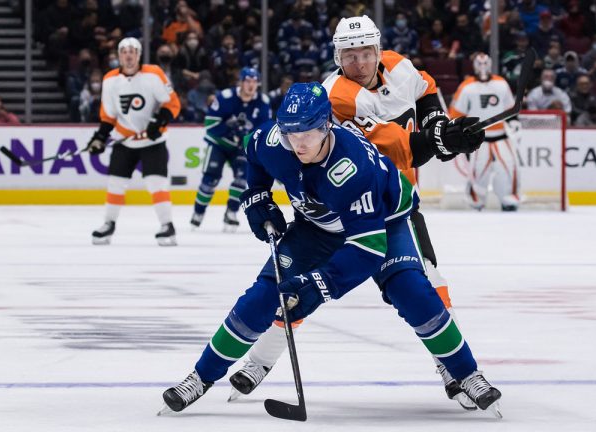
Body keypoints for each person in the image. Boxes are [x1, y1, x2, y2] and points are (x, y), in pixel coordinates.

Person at [160, 82, 502, 416]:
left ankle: (467, 373)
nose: (298, 143)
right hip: (317, 227)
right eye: (291, 132)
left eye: (307, 132)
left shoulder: (352, 167)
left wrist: (320, 284)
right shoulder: (276, 139)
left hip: (384, 222)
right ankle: (200, 377)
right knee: (263, 296)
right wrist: (257, 195)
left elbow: (368, 248)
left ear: (327, 125)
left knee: (411, 291)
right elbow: (253, 153)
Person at [227, 15, 485, 411]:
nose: (360, 63)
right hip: (339, 207)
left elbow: (427, 89)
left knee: (429, 279)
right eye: (350, 55)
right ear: (337, 57)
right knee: (299, 287)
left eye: (366, 53)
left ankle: (450, 367)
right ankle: (259, 361)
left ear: (379, 51)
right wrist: (443, 140)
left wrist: (439, 125)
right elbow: (403, 150)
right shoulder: (337, 97)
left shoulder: (398, 66)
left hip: (391, 201)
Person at [87, 37, 181, 246]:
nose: (128, 55)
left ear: (139, 55)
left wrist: (160, 122)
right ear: (119, 56)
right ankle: (109, 224)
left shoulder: (153, 74)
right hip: (125, 139)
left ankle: (167, 225)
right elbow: (109, 115)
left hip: (152, 141)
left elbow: (172, 103)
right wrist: (100, 136)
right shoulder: (110, 80)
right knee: (115, 183)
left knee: (156, 182)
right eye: (124, 52)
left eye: (132, 51)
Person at [190, 66, 271, 232]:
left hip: (242, 147)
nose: (251, 85)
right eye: (247, 81)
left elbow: (264, 130)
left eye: (254, 82)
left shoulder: (263, 102)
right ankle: (198, 213)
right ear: (240, 82)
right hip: (219, 143)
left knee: (242, 179)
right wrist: (229, 129)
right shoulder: (225, 97)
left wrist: (247, 141)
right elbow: (210, 124)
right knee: (209, 180)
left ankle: (231, 213)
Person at [450, 53, 519, 211]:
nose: (482, 67)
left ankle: (509, 200)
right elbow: (456, 113)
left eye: (485, 64)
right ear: (474, 65)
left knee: (508, 168)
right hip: (477, 138)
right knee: (478, 172)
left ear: (491, 64)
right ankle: (476, 201)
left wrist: (514, 122)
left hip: (501, 136)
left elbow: (510, 109)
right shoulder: (466, 86)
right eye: (479, 64)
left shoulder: (501, 83)